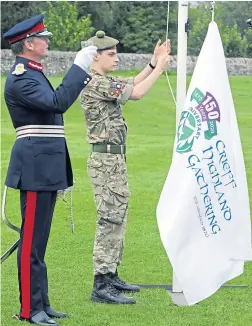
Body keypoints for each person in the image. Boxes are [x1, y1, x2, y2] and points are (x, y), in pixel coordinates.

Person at [3, 14, 97, 326]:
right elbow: (57, 103)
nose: (47, 41)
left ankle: (41, 303)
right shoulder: (21, 77)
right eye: (42, 37)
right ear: (28, 44)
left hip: (45, 166)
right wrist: (80, 68)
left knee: (38, 243)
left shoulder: (34, 73)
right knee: (30, 243)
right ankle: (30, 310)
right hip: (34, 167)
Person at [80, 31, 170, 304]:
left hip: (113, 159)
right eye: (111, 54)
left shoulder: (104, 81)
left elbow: (131, 82)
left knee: (118, 216)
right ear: (96, 57)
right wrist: (162, 69)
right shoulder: (95, 83)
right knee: (110, 219)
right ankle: (101, 284)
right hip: (106, 160)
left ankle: (111, 274)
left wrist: (154, 63)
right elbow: (139, 93)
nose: (116, 58)